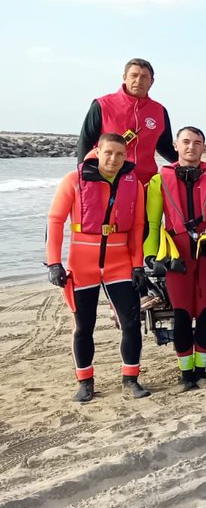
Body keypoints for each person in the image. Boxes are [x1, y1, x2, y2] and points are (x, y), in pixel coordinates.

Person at [47, 133, 150, 401]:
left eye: (120, 154)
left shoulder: (133, 184)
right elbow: (55, 220)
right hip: (83, 265)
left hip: (120, 263)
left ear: (126, 155)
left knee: (130, 324)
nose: (114, 159)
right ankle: (85, 381)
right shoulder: (74, 180)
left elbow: (138, 228)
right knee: (83, 327)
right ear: (97, 151)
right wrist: (54, 262)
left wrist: (138, 266)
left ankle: (131, 378)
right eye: (109, 153)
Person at [144, 126, 206, 391]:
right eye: (186, 142)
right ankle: (185, 375)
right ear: (176, 146)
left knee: (204, 313)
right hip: (177, 252)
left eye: (197, 143)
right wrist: (152, 256)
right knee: (181, 313)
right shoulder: (159, 180)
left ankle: (200, 372)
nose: (191, 147)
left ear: (204, 148)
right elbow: (153, 225)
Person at [76, 58, 177, 185]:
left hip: (145, 183)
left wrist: (189, 163)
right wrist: (83, 175)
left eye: (144, 77)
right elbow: (86, 141)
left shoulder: (159, 111)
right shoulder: (102, 105)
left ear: (151, 82)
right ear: (124, 77)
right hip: (107, 180)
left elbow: (165, 148)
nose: (138, 81)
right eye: (134, 75)